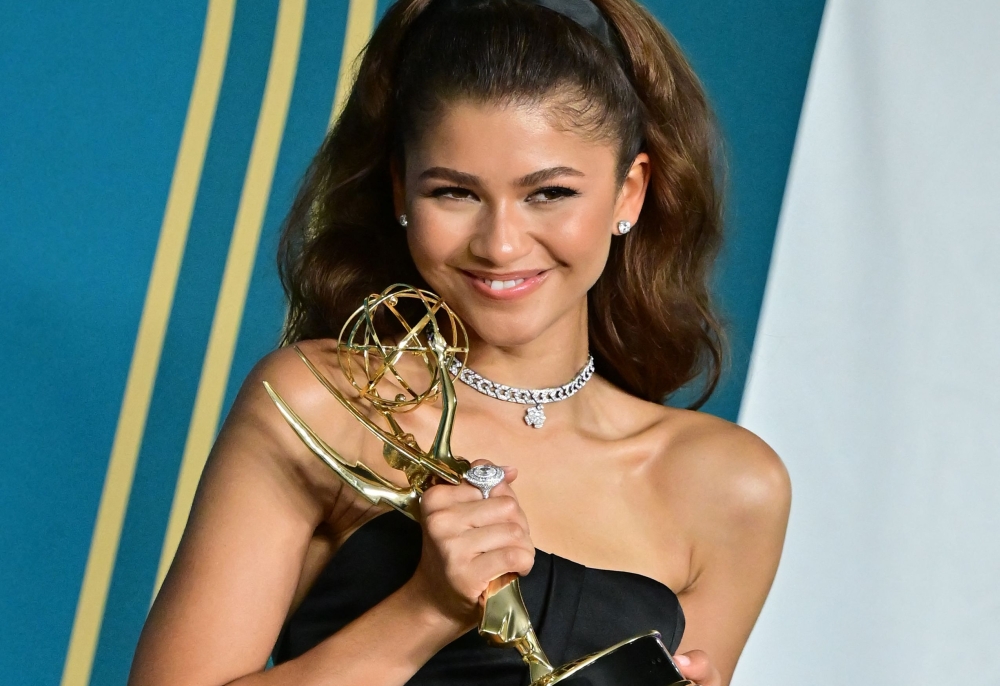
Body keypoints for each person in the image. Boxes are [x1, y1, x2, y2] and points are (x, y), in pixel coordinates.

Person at [129, 0, 790, 684]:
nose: (500, 245)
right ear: (400, 190)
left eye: (550, 193)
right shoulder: (323, 404)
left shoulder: (731, 486)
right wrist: (426, 610)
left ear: (629, 193)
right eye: (455, 193)